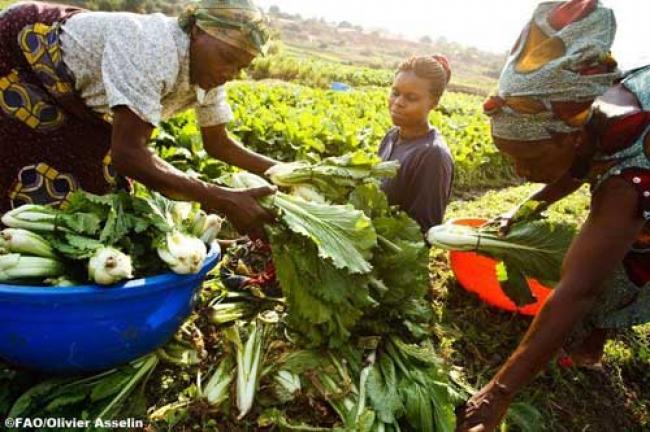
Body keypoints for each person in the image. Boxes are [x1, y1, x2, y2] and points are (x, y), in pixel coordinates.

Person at [455, 0, 650, 430]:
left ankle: (592, 344)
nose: (520, 174)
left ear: (569, 140)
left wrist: (496, 394)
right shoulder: (582, 120)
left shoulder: (624, 173)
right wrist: (525, 207)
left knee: (629, 255)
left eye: (529, 159)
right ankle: (593, 336)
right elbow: (578, 168)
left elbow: (577, 289)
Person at [0, 0, 279, 239]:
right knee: (29, 182)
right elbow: (129, 155)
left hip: (80, 101)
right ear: (197, 31)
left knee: (97, 192)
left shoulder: (210, 73)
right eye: (227, 57)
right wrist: (222, 198)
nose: (230, 72)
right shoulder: (153, 48)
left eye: (241, 67)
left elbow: (218, 143)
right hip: (24, 58)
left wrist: (286, 173)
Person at [378, 55, 454, 232]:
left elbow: (422, 232)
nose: (398, 103)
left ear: (433, 103)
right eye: (395, 93)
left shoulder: (433, 155)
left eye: (411, 98)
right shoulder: (391, 137)